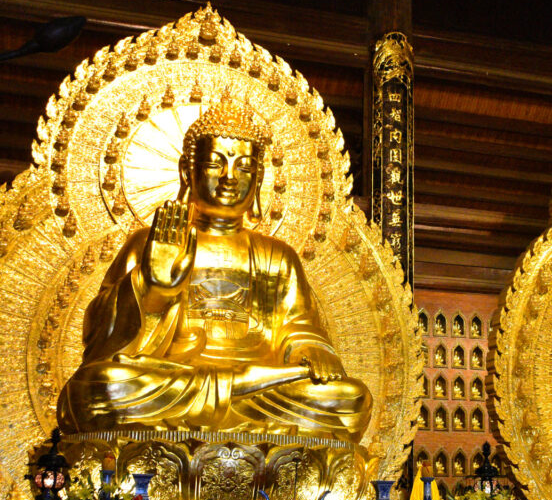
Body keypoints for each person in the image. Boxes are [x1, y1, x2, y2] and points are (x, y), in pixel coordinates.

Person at [57, 91, 371, 442]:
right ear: (187, 171)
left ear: (259, 179)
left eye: (244, 167)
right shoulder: (151, 242)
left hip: (260, 383)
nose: (229, 177)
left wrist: (311, 351)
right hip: (172, 377)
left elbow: (298, 327)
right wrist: (151, 287)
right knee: (101, 387)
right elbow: (103, 341)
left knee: (349, 399)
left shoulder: (278, 256)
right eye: (214, 164)